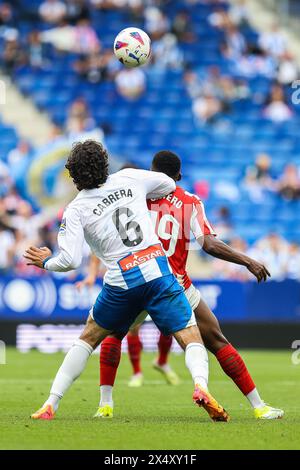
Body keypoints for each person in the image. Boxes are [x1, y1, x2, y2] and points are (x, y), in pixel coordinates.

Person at [24, 140, 228, 422]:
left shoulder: (75, 210)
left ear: (73, 175)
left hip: (120, 281)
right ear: (105, 164)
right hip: (157, 272)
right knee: (190, 335)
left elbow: (69, 261)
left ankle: (50, 404)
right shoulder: (129, 177)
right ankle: (201, 386)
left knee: (88, 338)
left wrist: (45, 261)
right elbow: (167, 185)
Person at [84, 150, 283, 421]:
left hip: (135, 279)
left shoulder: (134, 195)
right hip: (173, 284)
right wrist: (247, 260)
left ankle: (105, 405)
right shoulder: (189, 201)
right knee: (215, 340)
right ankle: (258, 406)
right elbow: (209, 244)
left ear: (151, 172)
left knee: (112, 336)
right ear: (179, 175)